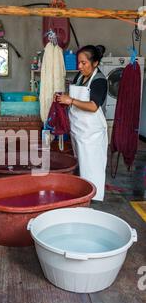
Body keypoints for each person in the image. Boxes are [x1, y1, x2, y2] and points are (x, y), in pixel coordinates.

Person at [55, 45, 108, 201]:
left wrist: (70, 100)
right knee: (82, 166)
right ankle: (84, 195)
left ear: (95, 63)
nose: (79, 66)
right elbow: (75, 99)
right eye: (79, 62)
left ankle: (93, 198)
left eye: (83, 63)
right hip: (79, 129)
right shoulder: (80, 76)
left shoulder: (99, 80)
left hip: (92, 133)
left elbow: (92, 106)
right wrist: (62, 99)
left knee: (92, 168)